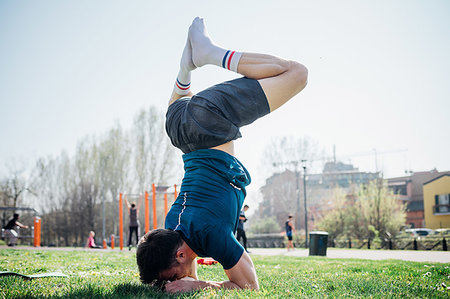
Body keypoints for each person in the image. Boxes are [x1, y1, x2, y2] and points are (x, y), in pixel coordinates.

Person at [136, 17, 308, 293]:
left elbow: (250, 287)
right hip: (177, 126)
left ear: (179, 256)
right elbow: (185, 266)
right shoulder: (170, 227)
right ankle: (185, 70)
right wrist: (180, 279)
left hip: (209, 122)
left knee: (297, 73)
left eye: (170, 277)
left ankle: (211, 54)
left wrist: (200, 286)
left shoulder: (212, 236)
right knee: (181, 102)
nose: (172, 283)